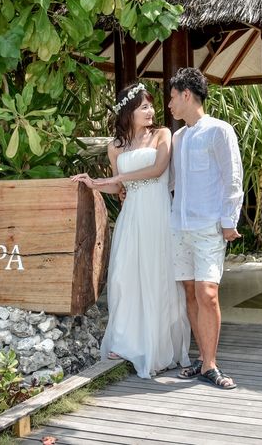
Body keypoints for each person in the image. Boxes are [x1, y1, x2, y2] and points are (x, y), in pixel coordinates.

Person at [71, 82, 190, 379]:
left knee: (156, 276)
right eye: (143, 107)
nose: (150, 111)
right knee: (125, 276)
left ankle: (157, 346)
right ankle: (126, 342)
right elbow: (117, 187)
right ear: (129, 112)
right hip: (131, 215)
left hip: (157, 214)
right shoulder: (115, 146)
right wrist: (94, 184)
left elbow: (158, 169)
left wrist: (119, 178)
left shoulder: (162, 134)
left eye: (151, 106)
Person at [168, 67, 243, 390]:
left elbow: (233, 178)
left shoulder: (219, 131)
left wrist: (229, 221)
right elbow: (172, 182)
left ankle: (211, 365)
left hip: (208, 225)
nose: (169, 104)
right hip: (179, 225)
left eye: (172, 97)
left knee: (207, 294)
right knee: (189, 292)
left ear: (187, 95)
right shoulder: (178, 137)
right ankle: (202, 359)